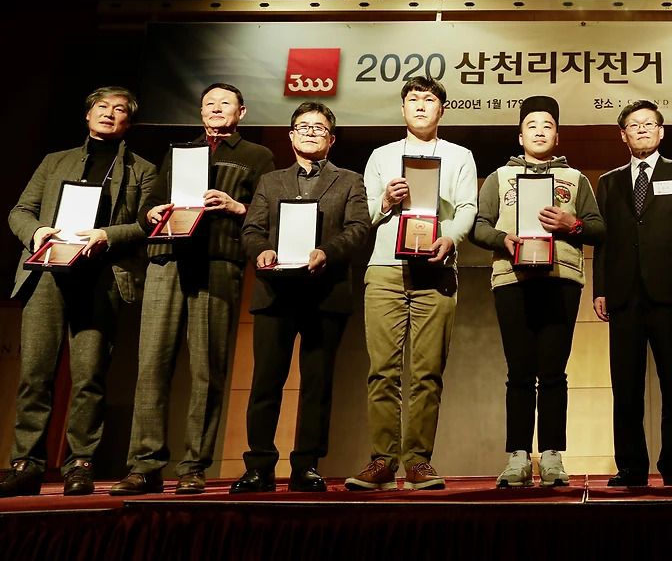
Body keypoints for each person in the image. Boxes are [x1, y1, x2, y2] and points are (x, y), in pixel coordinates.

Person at [111, 83, 274, 496]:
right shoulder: (179, 151)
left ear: (241, 112)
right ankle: (145, 465)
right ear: (200, 112)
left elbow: (268, 212)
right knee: (152, 363)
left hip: (218, 261)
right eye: (209, 104)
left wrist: (237, 206)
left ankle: (194, 466)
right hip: (167, 258)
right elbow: (150, 201)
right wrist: (151, 211)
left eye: (225, 103)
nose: (216, 109)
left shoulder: (257, 155)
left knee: (208, 368)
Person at [1, 87, 156, 498]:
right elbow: (20, 210)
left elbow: (147, 224)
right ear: (88, 115)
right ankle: (26, 463)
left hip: (101, 277)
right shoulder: (55, 161)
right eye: (102, 107)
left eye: (119, 110)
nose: (109, 113)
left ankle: (80, 463)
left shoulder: (142, 169)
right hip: (47, 275)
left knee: (89, 378)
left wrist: (108, 235)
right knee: (35, 375)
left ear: (128, 122)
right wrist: (37, 232)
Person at [231, 102, 372, 493]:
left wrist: (327, 251)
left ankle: (306, 465)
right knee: (265, 382)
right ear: (291, 135)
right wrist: (261, 250)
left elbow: (359, 228)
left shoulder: (350, 181)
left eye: (319, 127)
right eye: (303, 126)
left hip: (326, 293)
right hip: (275, 292)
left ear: (331, 139)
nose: (310, 132)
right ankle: (259, 466)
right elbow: (251, 229)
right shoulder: (270, 181)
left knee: (317, 384)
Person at [345, 76, 477, 492]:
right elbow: (364, 213)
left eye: (429, 99)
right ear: (402, 109)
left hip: (436, 267)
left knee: (427, 372)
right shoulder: (382, 156)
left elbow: (468, 207)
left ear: (442, 109)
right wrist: (386, 201)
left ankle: (418, 461)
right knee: (382, 371)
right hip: (385, 268)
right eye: (413, 99)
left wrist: (450, 238)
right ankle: (383, 460)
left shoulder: (459, 156)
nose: (421, 105)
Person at [471, 96, 606, 488]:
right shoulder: (499, 177)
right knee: (518, 371)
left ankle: (551, 455)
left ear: (557, 135)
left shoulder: (575, 179)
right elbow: (479, 226)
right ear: (520, 136)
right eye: (532, 125)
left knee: (552, 372)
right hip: (511, 280)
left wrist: (572, 224)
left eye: (547, 126)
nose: (540, 132)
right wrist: (503, 238)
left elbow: (598, 228)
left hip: (561, 279)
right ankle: (517, 456)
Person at [593, 100, 672, 487]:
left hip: (670, 290)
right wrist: (601, 288)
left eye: (648, 124)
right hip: (623, 293)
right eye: (634, 125)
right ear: (623, 135)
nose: (641, 129)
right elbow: (603, 241)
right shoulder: (609, 181)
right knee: (626, 387)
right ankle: (631, 467)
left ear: (661, 131)